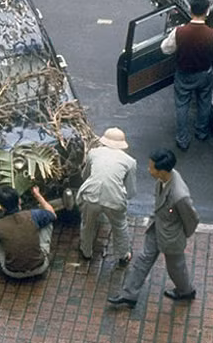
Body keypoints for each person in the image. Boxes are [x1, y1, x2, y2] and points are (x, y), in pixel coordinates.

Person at [108, 148, 199, 308]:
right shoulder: (165, 179)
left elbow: (191, 219)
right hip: (158, 228)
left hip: (171, 236)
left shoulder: (179, 195)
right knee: (144, 259)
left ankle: (185, 291)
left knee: (175, 267)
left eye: (152, 168)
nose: (149, 170)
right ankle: (129, 295)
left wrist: (181, 235)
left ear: (162, 171)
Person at [160, 0, 213, 151]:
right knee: (204, 101)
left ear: (190, 10)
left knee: (182, 105)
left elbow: (165, 48)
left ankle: (182, 139)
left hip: (183, 74)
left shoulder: (178, 32)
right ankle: (201, 132)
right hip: (204, 73)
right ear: (208, 11)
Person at [75, 127, 137, 264]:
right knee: (120, 226)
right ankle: (123, 255)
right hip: (114, 200)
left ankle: (86, 251)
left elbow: (85, 175)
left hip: (91, 196)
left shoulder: (93, 153)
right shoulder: (129, 161)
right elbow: (130, 190)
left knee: (87, 224)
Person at [0, 185, 56, 279]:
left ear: (2, 207)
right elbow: (52, 214)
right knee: (47, 223)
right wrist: (37, 195)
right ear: (19, 201)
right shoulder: (32, 215)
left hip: (12, 272)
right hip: (40, 267)